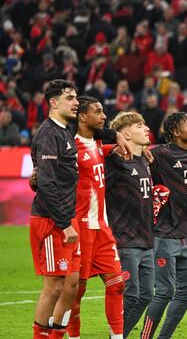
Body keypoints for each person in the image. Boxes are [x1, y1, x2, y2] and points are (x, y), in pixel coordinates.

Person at [67, 96, 125, 339]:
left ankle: (117, 336)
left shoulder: (98, 144)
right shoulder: (70, 148)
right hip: (81, 229)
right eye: (98, 112)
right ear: (82, 117)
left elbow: (100, 150)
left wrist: (117, 143)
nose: (104, 116)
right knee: (75, 291)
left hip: (102, 228)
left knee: (117, 284)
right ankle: (74, 336)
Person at [29, 80, 81, 339]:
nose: (76, 102)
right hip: (51, 221)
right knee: (54, 287)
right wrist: (64, 223)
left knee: (69, 284)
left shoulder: (65, 130)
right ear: (53, 102)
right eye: (69, 98)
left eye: (76, 97)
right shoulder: (49, 134)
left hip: (65, 217)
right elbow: (47, 184)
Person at [142, 112, 187, 339]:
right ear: (176, 132)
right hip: (164, 234)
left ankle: (163, 337)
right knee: (165, 291)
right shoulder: (160, 154)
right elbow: (136, 156)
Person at [105, 112, 156, 337]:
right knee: (131, 295)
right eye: (139, 125)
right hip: (125, 239)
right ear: (125, 134)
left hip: (146, 239)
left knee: (146, 296)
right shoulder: (115, 161)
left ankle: (118, 336)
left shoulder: (144, 159)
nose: (146, 128)